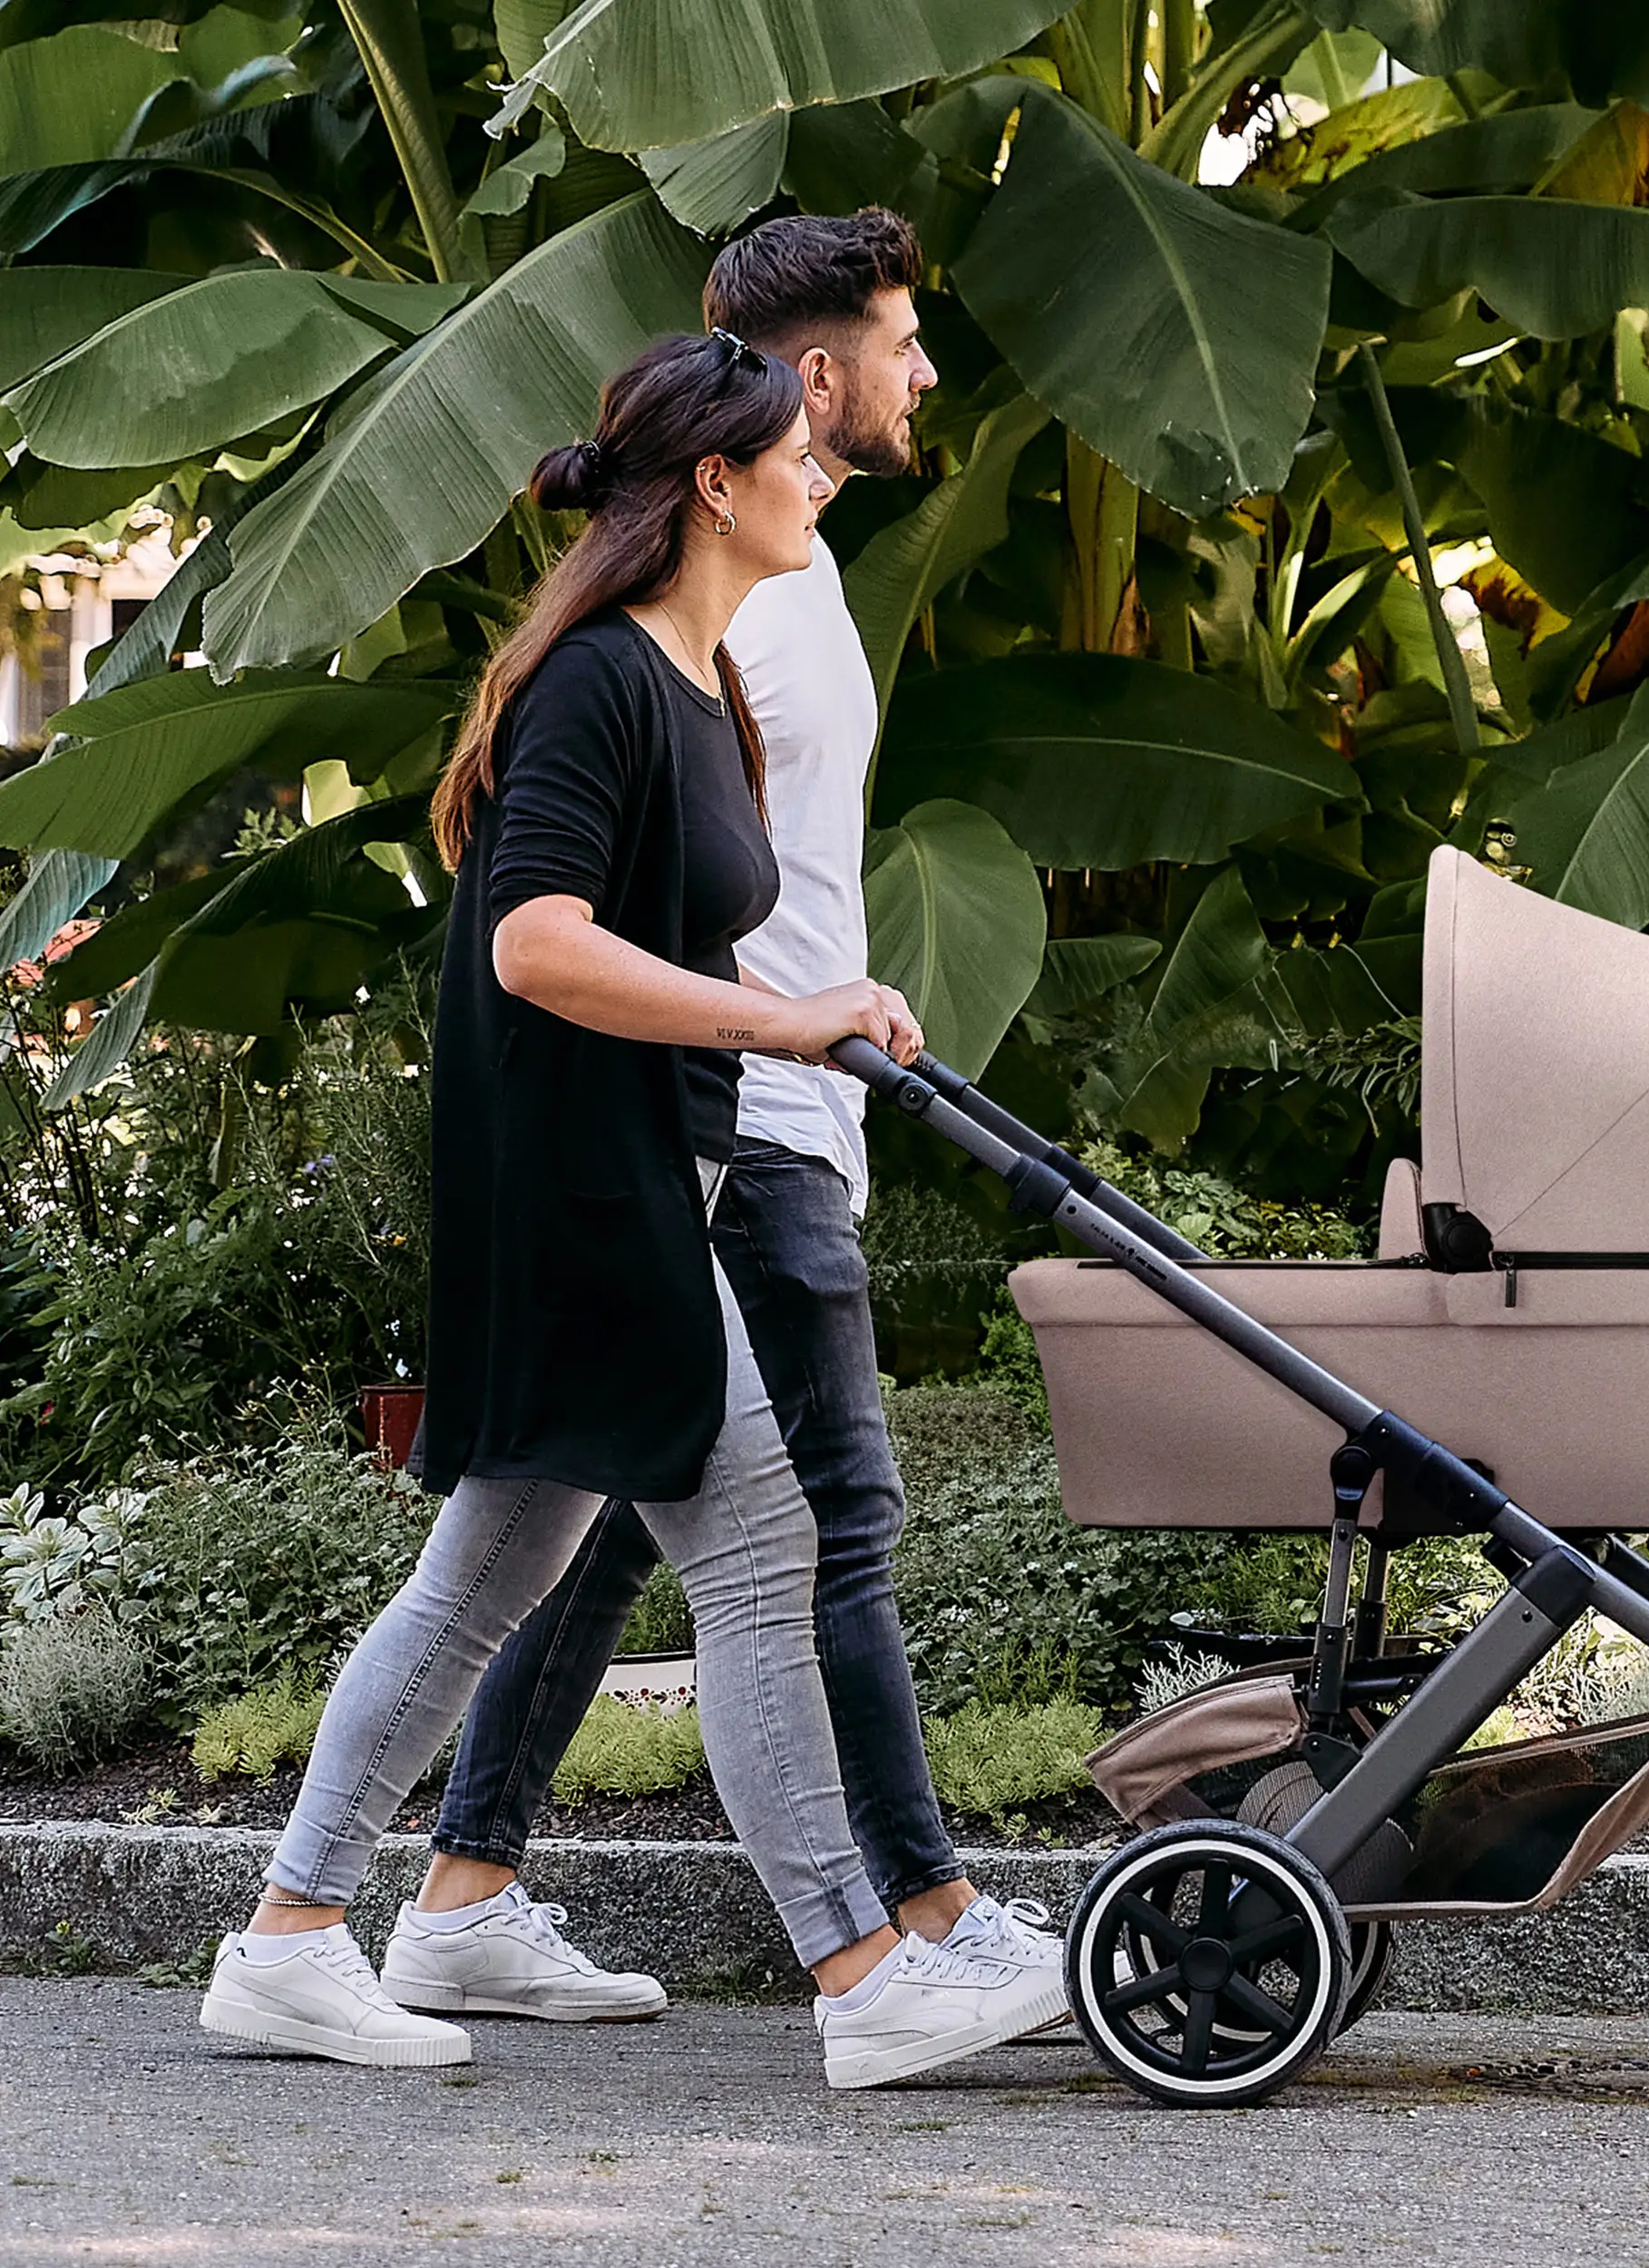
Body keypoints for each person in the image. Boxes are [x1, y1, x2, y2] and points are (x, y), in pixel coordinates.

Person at [199, 327, 1063, 2087]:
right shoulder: (596, 679)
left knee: (475, 1587)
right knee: (759, 1551)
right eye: (791, 457)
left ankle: (296, 1933)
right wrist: (781, 1018)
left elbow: (680, 926)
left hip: (634, 1182)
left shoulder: (696, 682)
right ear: (714, 486)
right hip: (587, 1198)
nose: (821, 474)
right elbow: (535, 939)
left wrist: (834, 1001)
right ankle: (855, 1962)